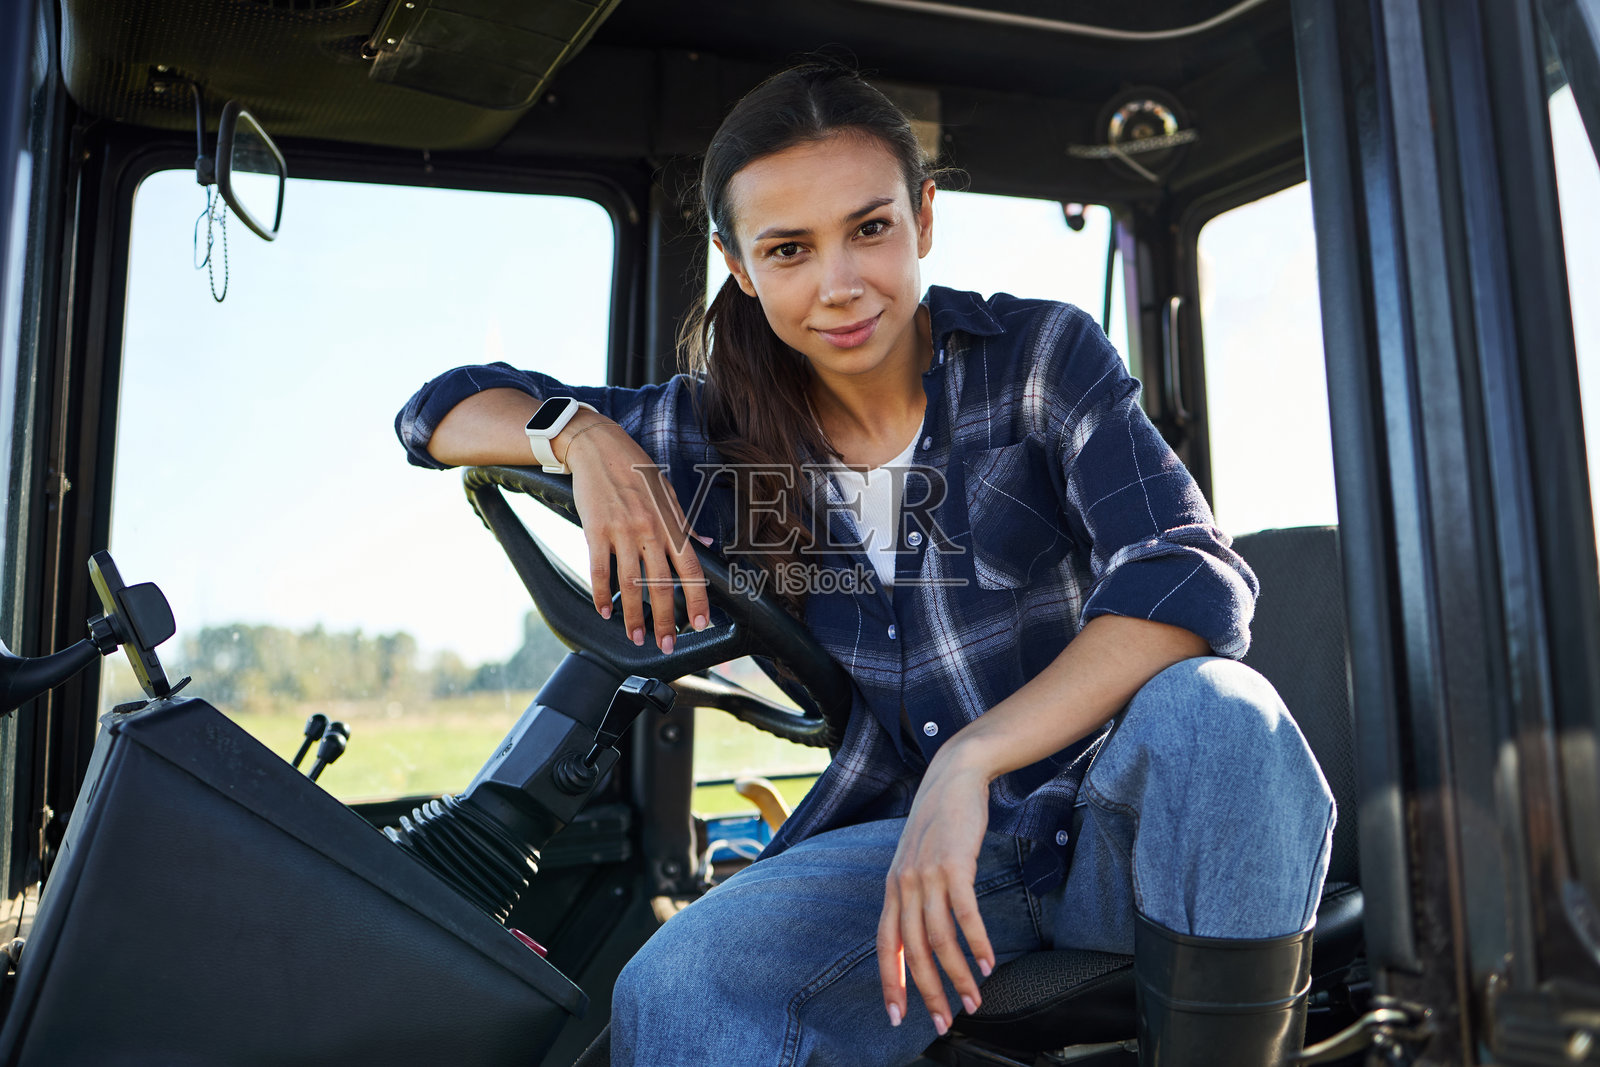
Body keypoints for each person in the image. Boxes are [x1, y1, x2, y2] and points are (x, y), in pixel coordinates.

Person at [396, 63, 1335, 1067]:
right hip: (906, 854)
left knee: (1218, 706)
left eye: (870, 228)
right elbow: (435, 411)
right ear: (739, 266)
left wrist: (970, 759)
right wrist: (578, 434)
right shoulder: (714, 436)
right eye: (789, 250)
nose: (839, 284)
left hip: (1115, 826)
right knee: (673, 983)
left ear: (923, 217)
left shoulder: (1037, 360)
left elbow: (1186, 574)